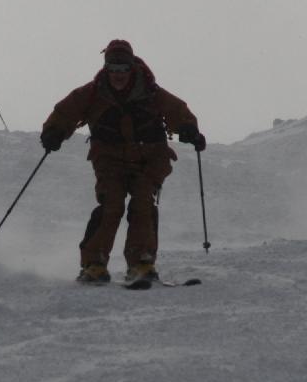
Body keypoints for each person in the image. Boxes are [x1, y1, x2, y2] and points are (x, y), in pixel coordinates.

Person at [40, 39, 206, 289]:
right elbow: (65, 112)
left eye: (123, 69)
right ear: (106, 68)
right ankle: (94, 264)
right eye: (113, 69)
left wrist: (188, 129)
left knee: (142, 204)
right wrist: (54, 132)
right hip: (110, 160)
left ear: (132, 67)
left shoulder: (150, 91)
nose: (118, 74)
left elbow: (177, 110)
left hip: (149, 160)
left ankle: (141, 263)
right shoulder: (92, 93)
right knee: (111, 204)